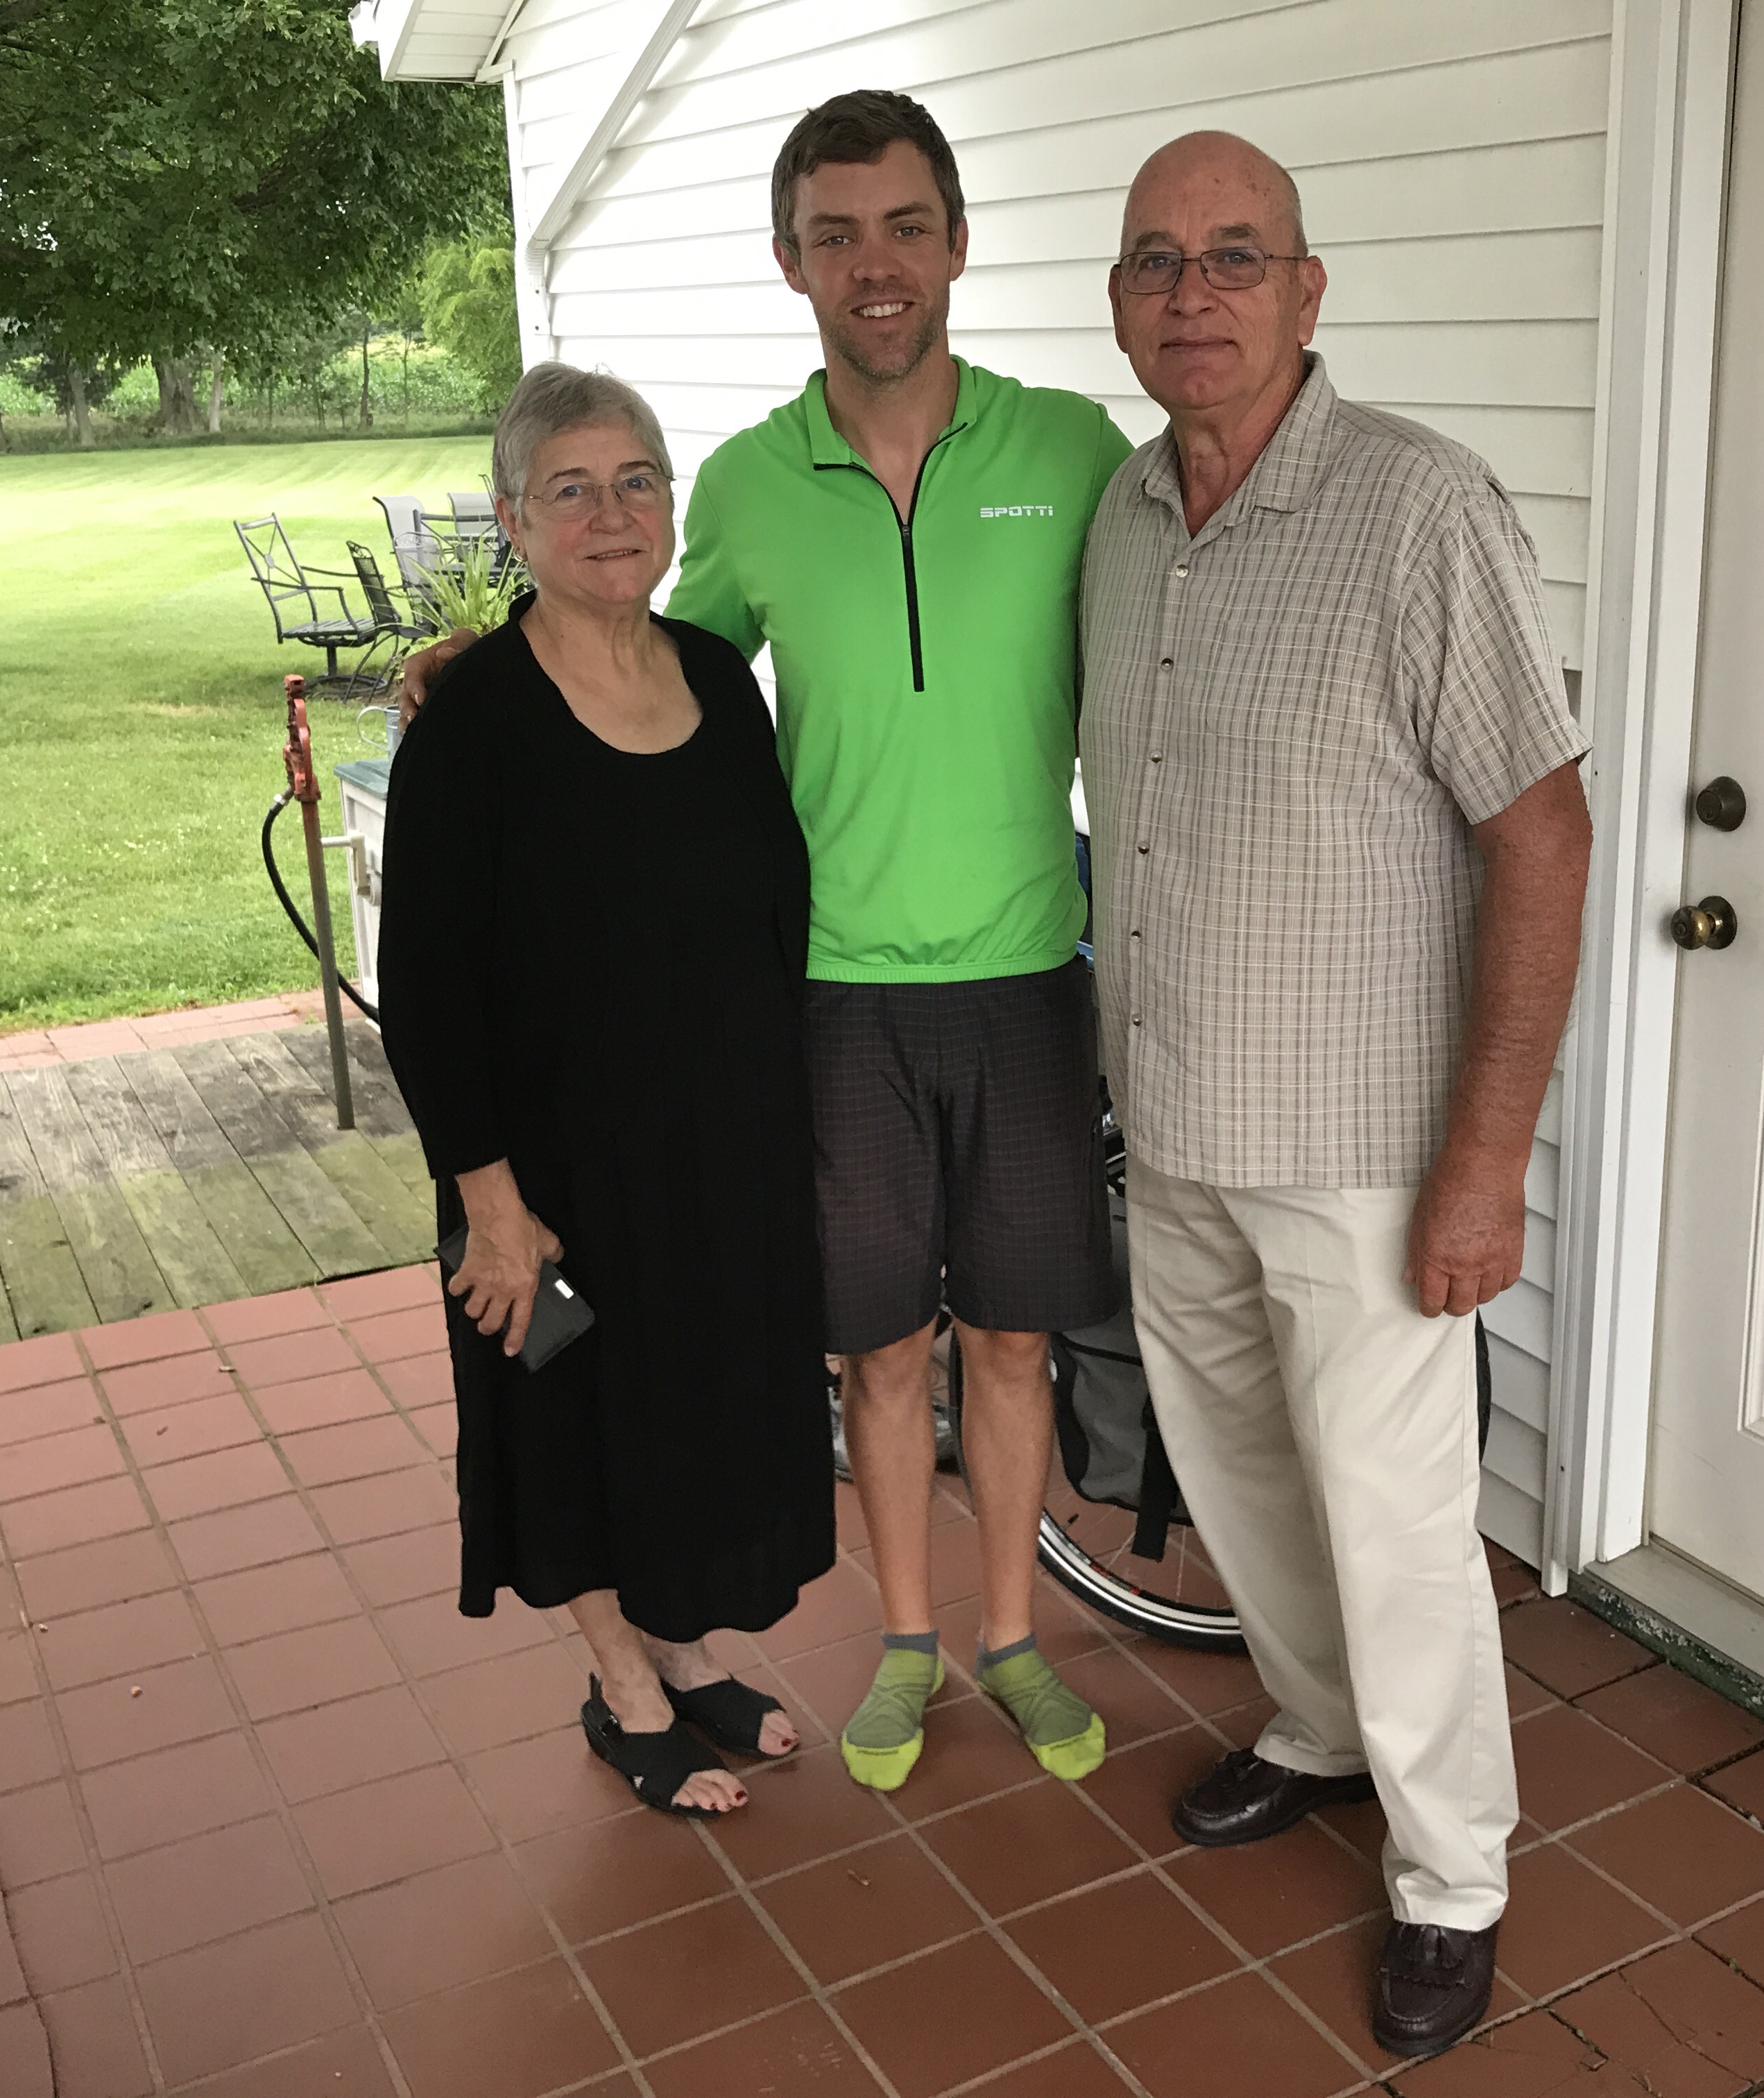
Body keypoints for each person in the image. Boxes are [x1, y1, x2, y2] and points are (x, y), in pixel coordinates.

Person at [398, 92, 1134, 1795]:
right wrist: (472, 668)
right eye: (833, 234)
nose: (872, 267)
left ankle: (1011, 1639)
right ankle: (898, 1644)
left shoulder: (1074, 454)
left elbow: (1164, 665)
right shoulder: (744, 485)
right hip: (835, 1006)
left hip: (1027, 984)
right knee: (874, 1350)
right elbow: (618, 654)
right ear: (791, 260)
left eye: (903, 227)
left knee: (1011, 1344)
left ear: (956, 240)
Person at [1079, 133, 1594, 2056]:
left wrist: (1487, 1162)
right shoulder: (1124, 518)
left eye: (1234, 258)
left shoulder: (1416, 510)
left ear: (1309, 289)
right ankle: (1310, 1726)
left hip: (1371, 1156)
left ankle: (1454, 1869)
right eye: (1156, 262)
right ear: (1119, 301)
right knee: (1238, 1479)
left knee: (1394, 1517)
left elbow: (1544, 839)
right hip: (1180, 1127)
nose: (1191, 294)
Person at [375, 363, 834, 1818]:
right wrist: (491, 1209)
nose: (610, 512)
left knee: (685, 1415)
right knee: (569, 1419)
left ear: (672, 505)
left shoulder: (713, 679)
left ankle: (680, 1646)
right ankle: (620, 1684)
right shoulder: (474, 727)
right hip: (549, 1180)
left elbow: (768, 917)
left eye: (636, 479)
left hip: (711, 1157)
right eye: (568, 488)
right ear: (513, 518)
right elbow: (430, 995)